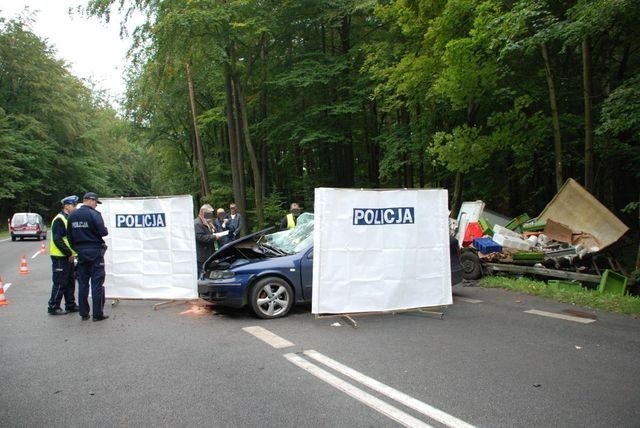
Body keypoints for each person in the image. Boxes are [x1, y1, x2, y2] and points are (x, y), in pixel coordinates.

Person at [67, 192, 109, 321]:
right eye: (96, 202)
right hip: (95, 251)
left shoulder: (72, 215)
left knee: (83, 284)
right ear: (90, 200)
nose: (96, 205)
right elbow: (103, 232)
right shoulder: (94, 214)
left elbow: (69, 236)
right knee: (97, 283)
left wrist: (77, 250)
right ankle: (97, 314)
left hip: (81, 252)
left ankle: (84, 313)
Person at [47, 195, 80, 315]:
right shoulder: (59, 219)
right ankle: (53, 306)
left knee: (70, 281)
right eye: (73, 205)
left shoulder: (68, 218)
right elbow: (58, 240)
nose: (75, 207)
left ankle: (70, 304)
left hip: (68, 256)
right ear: (66, 206)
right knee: (60, 282)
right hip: (60, 256)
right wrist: (69, 253)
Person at [195, 204, 218, 278]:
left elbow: (210, 233)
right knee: (201, 276)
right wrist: (214, 237)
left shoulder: (207, 222)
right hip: (202, 256)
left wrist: (212, 228)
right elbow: (201, 237)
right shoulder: (197, 223)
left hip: (209, 254)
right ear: (203, 212)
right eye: (209, 214)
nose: (210, 216)